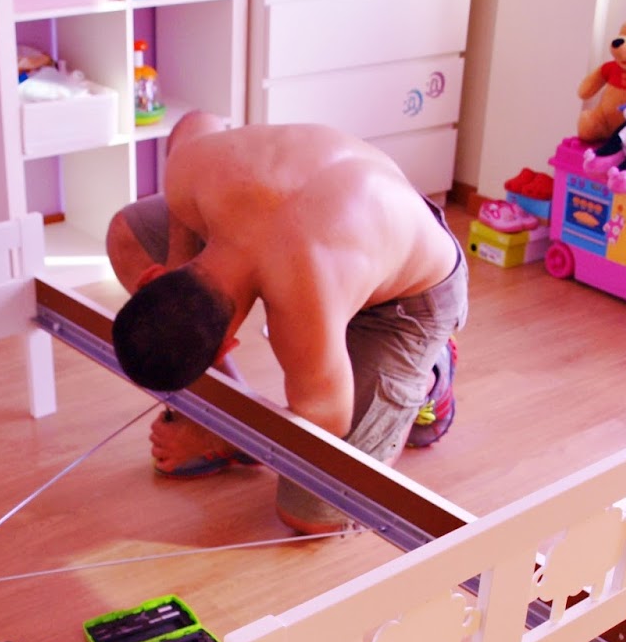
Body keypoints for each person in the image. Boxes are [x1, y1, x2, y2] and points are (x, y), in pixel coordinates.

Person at [106, 120, 468, 534]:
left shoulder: (302, 310)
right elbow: (196, 122)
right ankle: (225, 416)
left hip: (409, 296)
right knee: (128, 234)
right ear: (155, 277)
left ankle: (430, 374)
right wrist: (180, 255)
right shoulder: (191, 170)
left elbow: (326, 425)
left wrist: (223, 436)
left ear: (226, 346)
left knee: (312, 513)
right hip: (351, 220)